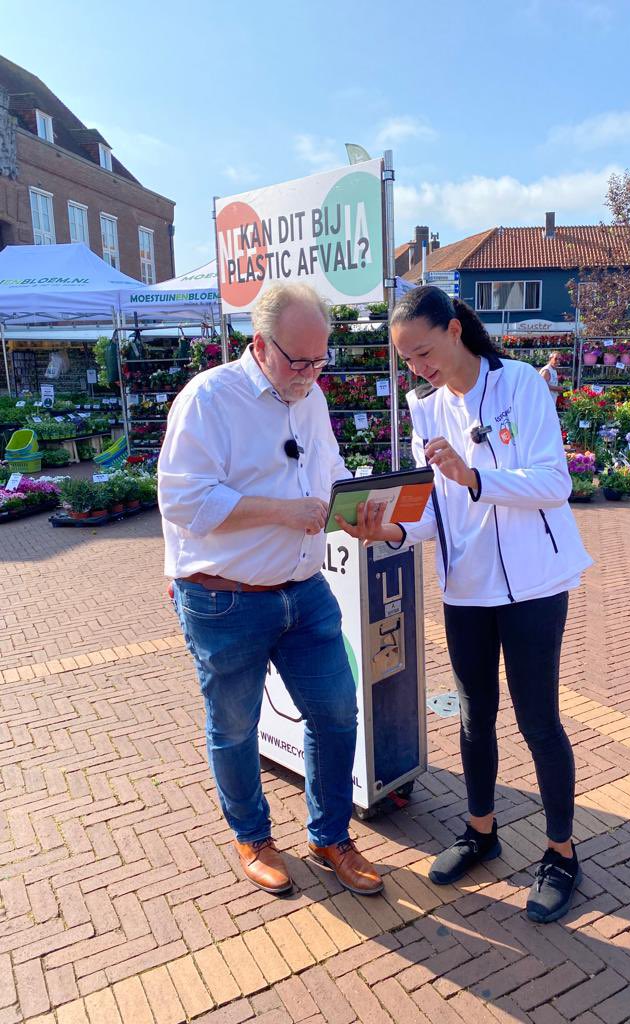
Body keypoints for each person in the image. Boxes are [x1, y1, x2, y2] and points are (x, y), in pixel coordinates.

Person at [337, 286, 592, 923]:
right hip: (466, 588)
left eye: (423, 351)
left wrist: (475, 477)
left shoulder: (522, 384)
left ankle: (560, 852)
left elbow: (553, 482)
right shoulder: (425, 409)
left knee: (538, 721)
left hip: (534, 586)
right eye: (406, 360)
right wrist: (390, 531)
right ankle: (481, 831)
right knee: (476, 717)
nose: (416, 368)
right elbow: (434, 514)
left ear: (454, 330)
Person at [157, 283, 383, 898]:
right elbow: (183, 500)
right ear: (259, 345)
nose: (310, 375)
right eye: (297, 361)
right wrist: (282, 512)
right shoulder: (209, 399)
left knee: (337, 713)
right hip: (222, 597)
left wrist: (359, 511)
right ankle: (253, 836)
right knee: (234, 726)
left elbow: (328, 475)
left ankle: (329, 833)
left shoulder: (309, 398)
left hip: (304, 590)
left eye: (320, 361)